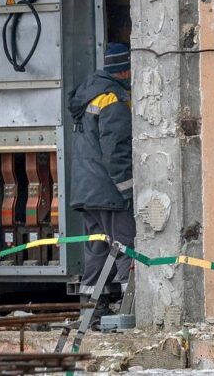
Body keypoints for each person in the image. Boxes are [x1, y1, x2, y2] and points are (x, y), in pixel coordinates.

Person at [68, 43, 135, 322]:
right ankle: (133, 310)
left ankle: (91, 312)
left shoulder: (88, 95)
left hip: (86, 191)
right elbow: (116, 150)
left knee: (97, 251)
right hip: (109, 192)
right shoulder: (113, 99)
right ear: (125, 70)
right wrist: (128, 189)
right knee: (127, 247)